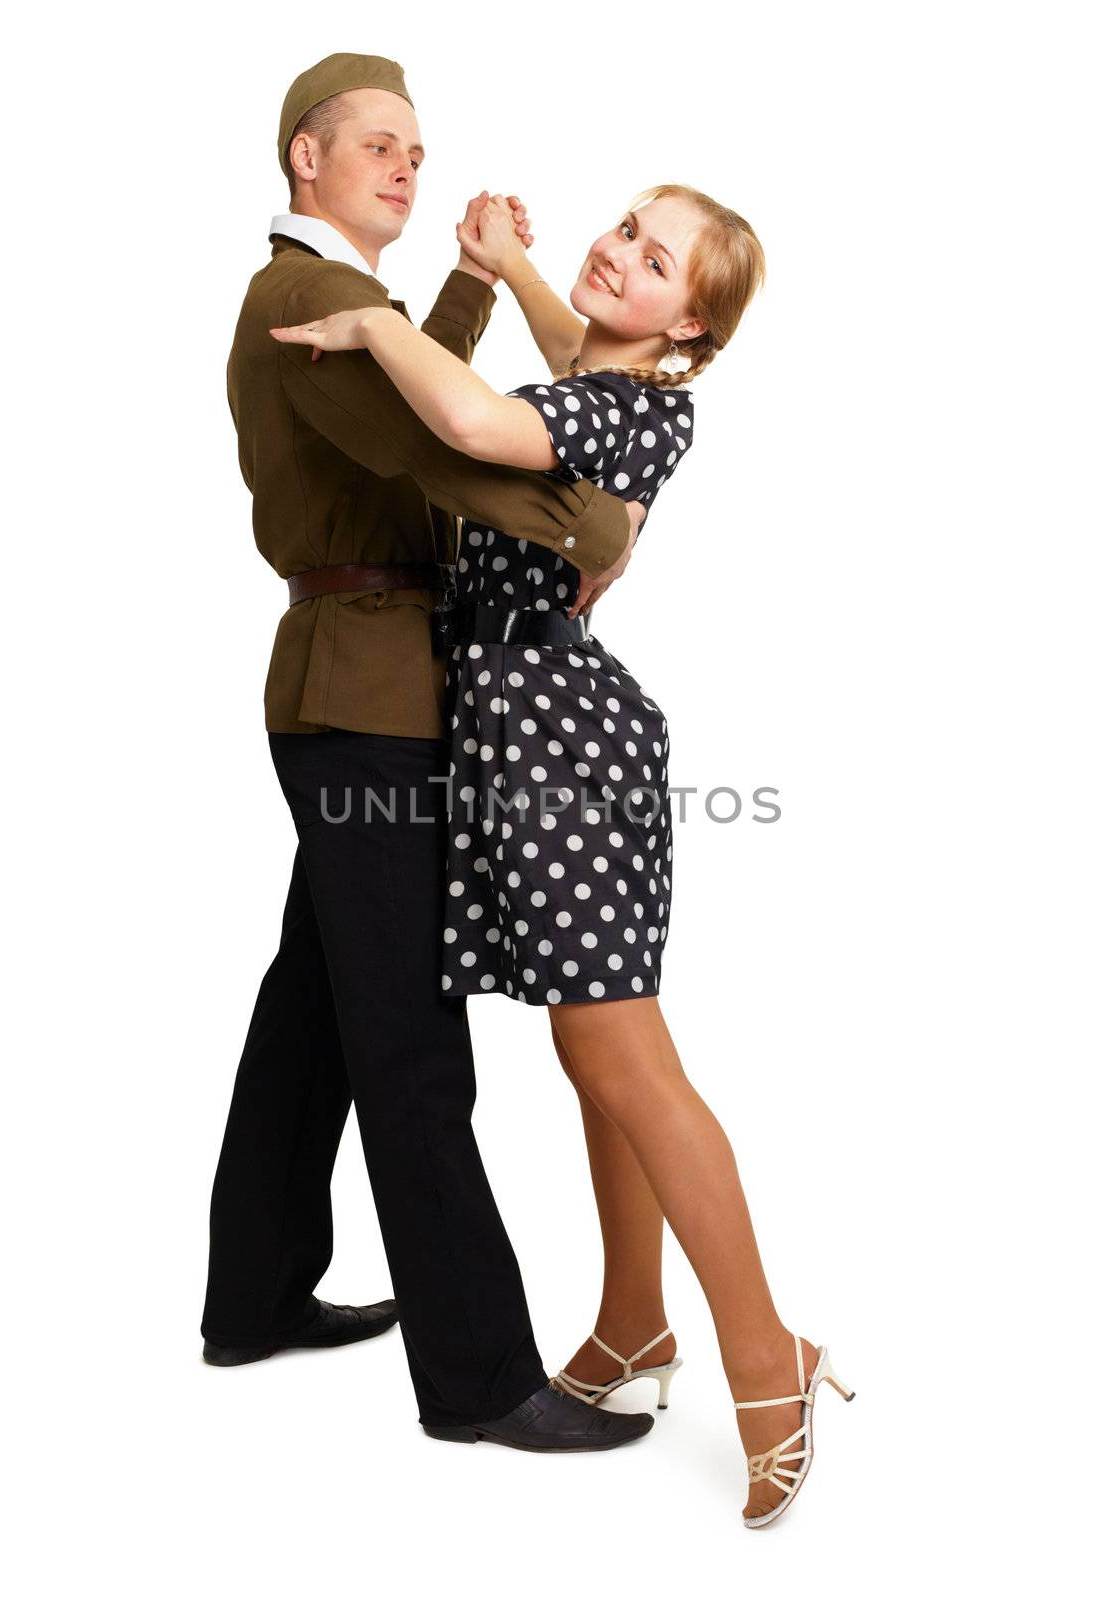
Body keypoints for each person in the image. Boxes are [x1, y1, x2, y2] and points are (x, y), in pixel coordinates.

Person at [272, 186, 856, 1525]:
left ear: (690, 322)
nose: (619, 256)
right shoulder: (611, 370)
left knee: (622, 1059)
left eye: (654, 261)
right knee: (593, 1056)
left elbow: (476, 418)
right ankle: (635, 1328)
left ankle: (766, 1360)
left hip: (562, 753)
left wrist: (373, 321)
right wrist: (518, 263)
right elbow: (577, 339)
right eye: (624, 228)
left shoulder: (625, 407)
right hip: (523, 742)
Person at [202, 52, 654, 1456]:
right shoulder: (308, 300)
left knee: (317, 1009)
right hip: (369, 702)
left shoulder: (341, 302)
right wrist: (589, 523)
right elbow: (437, 449)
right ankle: (480, 1380)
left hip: (355, 688)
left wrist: (460, 290)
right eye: (376, 146)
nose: (405, 164)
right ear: (305, 161)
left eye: (417, 145)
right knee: (408, 1042)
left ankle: (255, 1298)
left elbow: (398, 405)